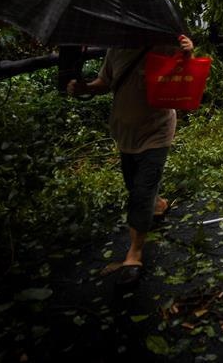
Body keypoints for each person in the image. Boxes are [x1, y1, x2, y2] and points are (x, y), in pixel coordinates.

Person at [67, 34, 194, 285]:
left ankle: (134, 253)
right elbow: (105, 82)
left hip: (158, 129)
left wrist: (188, 53)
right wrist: (85, 88)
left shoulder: (165, 44)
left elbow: (185, 76)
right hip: (125, 131)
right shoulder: (116, 48)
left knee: (141, 191)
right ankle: (158, 204)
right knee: (133, 184)